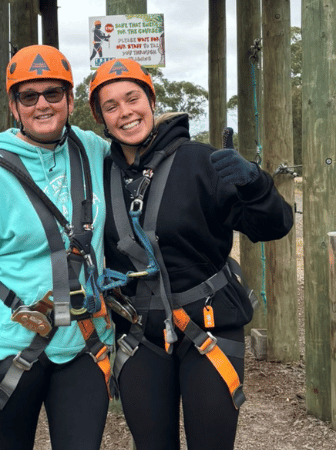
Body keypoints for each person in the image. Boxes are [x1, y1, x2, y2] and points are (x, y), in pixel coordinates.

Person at [88, 58, 294, 450]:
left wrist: (254, 184)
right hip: (139, 334)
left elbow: (275, 225)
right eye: (111, 106)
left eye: (132, 98)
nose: (125, 112)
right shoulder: (100, 176)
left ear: (151, 100)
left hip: (209, 325)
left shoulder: (200, 162)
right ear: (101, 117)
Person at [0, 45, 114, 450]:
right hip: (10, 348)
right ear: (13, 106)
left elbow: (139, 152)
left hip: (84, 344)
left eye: (53, 93)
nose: (42, 104)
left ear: (70, 100)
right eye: (28, 95)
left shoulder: (91, 150)